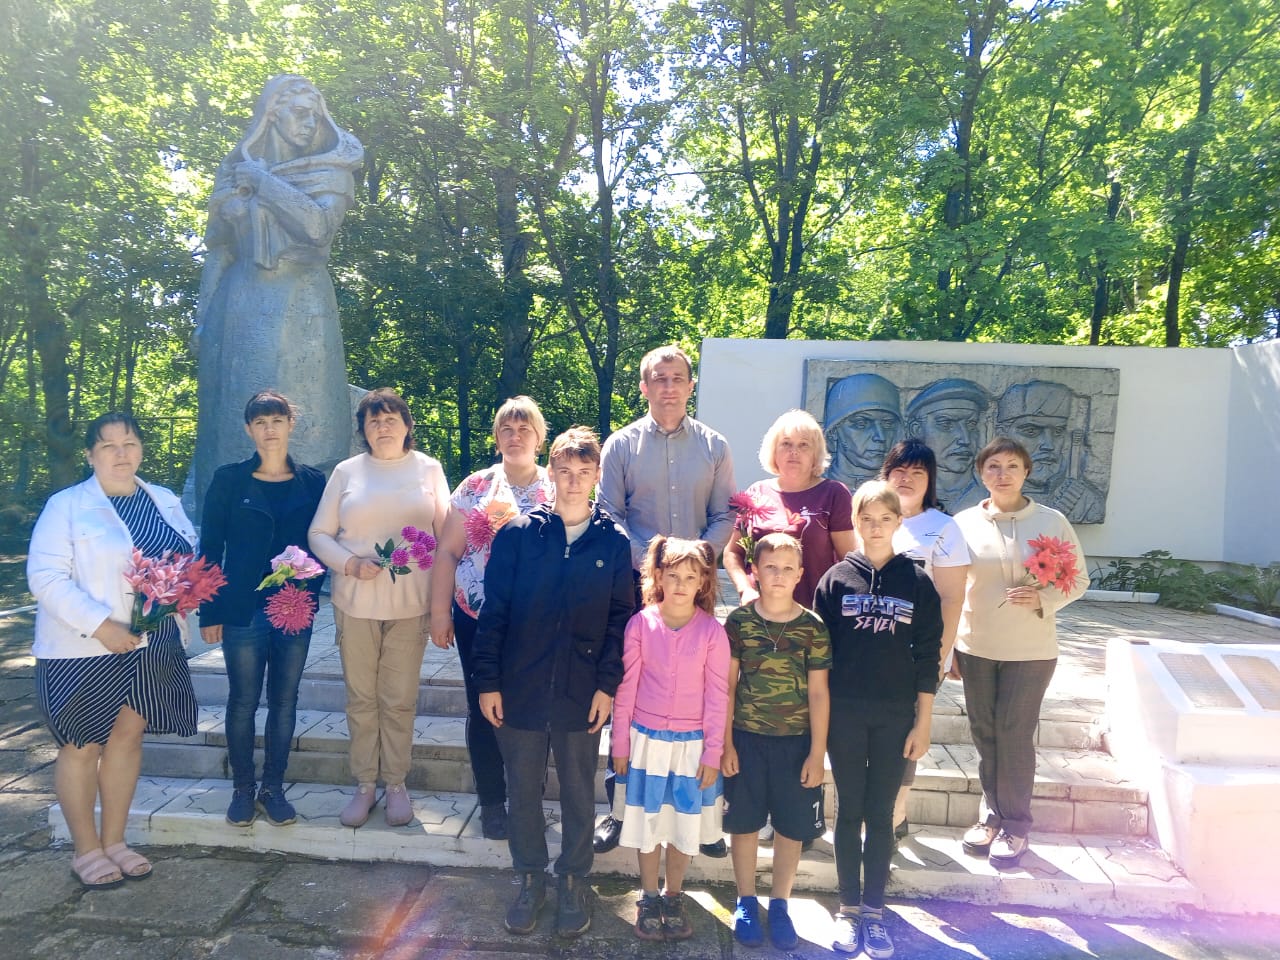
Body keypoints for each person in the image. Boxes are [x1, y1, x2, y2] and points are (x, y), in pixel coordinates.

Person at [473, 427, 633, 939]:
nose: (573, 480)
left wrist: (607, 686)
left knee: (578, 792)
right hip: (519, 688)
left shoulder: (613, 542)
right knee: (522, 789)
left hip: (581, 693)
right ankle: (529, 878)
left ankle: (573, 879)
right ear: (553, 472)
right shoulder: (519, 534)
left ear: (596, 477)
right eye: (564, 470)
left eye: (584, 472)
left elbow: (620, 622)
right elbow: (493, 612)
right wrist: (488, 681)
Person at [28, 413, 201, 888]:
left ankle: (117, 841)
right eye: (108, 446)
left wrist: (183, 590)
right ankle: (86, 849)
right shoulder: (66, 506)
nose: (121, 454)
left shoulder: (161, 499)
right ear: (90, 454)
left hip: (154, 641)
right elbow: (45, 578)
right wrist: (101, 626)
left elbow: (188, 554)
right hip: (85, 647)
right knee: (82, 744)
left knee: (127, 738)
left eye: (129, 443)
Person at [191, 75, 364, 511]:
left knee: (314, 415)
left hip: (302, 302)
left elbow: (317, 227)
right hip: (240, 302)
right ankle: (225, 522)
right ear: (273, 113)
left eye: (315, 115)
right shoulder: (234, 170)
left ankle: (315, 522)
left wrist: (263, 183)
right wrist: (203, 316)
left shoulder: (331, 172)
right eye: (298, 113)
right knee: (234, 416)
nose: (309, 123)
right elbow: (220, 249)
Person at [596, 343, 736, 856]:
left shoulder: (715, 446)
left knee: (701, 693)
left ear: (690, 385)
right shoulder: (621, 446)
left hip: (696, 595)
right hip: (636, 594)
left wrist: (695, 565)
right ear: (644, 386)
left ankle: (702, 818)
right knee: (631, 693)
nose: (669, 387)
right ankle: (618, 810)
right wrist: (652, 566)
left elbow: (726, 516)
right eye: (659, 378)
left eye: (678, 378)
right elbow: (608, 514)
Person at [309, 388, 451, 828]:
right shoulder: (347, 472)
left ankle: (395, 784)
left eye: (390, 418)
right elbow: (318, 534)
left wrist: (445, 602)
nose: (382, 426)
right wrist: (349, 563)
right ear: (363, 430)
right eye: (373, 420)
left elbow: (447, 538)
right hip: (355, 603)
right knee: (362, 698)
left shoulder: (428, 469)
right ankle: (365, 784)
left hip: (411, 606)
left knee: (398, 699)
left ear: (408, 425)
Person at [814, 481, 942, 958]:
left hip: (894, 716)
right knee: (848, 812)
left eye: (884, 519)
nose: (874, 527)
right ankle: (848, 910)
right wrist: (820, 720)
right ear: (856, 521)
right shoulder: (835, 581)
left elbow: (929, 654)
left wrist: (922, 720)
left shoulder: (918, 582)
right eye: (866, 519)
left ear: (898, 522)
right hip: (846, 714)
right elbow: (820, 658)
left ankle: (874, 911)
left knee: (881, 816)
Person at [952, 437, 1088, 868]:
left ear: (1027, 472)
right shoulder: (963, 523)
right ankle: (991, 817)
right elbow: (952, 590)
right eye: (994, 466)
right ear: (981, 473)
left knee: (1014, 734)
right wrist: (950, 646)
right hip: (977, 646)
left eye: (1012, 465)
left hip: (1030, 650)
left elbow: (1079, 580)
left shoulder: (1051, 521)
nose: (1003, 474)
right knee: (985, 733)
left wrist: (1043, 600)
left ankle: (1016, 826)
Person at [198, 391, 326, 828]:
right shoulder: (229, 480)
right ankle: (242, 789)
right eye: (260, 422)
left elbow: (323, 542)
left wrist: (308, 589)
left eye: (277, 419)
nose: (269, 428)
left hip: (294, 608)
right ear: (249, 429)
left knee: (284, 701)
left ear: (291, 424)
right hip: (242, 609)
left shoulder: (313, 483)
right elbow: (211, 547)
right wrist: (209, 610)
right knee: (243, 700)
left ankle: (273, 787)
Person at [429, 396, 554, 840]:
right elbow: (447, 550)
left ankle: (528, 801)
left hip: (536, 624)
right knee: (483, 708)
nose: (515, 436)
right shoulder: (475, 486)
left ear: (539, 437)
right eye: (507, 428)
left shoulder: (559, 486)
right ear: (497, 436)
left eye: (524, 428)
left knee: (533, 710)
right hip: (475, 616)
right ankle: (492, 802)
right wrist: (438, 612)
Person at [612, 537, 729, 942]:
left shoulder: (713, 632)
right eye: (673, 575)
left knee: (683, 823)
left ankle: (673, 894)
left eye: (690, 577)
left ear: (703, 582)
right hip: (647, 743)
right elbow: (626, 687)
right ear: (659, 576)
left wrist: (713, 750)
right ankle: (647, 894)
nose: (680, 584)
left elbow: (718, 695)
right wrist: (620, 745)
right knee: (648, 822)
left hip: (692, 748)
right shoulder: (641, 624)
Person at [722, 533, 830, 950]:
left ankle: (781, 902)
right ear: (755, 571)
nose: (779, 575)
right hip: (746, 741)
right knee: (744, 823)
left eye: (787, 568)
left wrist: (817, 753)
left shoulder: (813, 627)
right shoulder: (740, 622)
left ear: (801, 574)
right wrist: (726, 743)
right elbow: (728, 687)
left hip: (796, 744)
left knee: (791, 826)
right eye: (770, 567)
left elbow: (819, 692)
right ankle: (746, 899)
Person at [880, 439, 971, 840]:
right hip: (867, 651)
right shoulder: (868, 517)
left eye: (917, 472)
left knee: (906, 733)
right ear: (886, 474)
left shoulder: (943, 527)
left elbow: (952, 597)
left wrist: (940, 654)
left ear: (929, 480)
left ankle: (895, 815)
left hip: (917, 653)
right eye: (900, 470)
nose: (907, 479)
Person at [723, 409, 855, 608]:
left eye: (804, 445)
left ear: (815, 454)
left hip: (813, 613)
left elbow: (848, 560)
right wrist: (745, 589)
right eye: (786, 444)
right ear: (774, 451)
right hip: (760, 612)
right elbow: (732, 553)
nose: (794, 452)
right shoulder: (756, 492)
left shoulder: (834, 494)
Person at [995, 381, 1105, 523]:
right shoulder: (982, 498)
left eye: (1058, 432)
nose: (1049, 445)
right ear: (1002, 435)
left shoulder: (1086, 503)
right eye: (1031, 431)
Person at [904, 379, 989, 513]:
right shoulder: (902, 496)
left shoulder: (990, 495)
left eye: (971, 424)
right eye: (946, 424)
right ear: (917, 430)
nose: (965, 439)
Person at [821, 374, 901, 490]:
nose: (880, 437)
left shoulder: (902, 493)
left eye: (888, 424)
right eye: (861, 424)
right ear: (834, 433)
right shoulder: (813, 488)